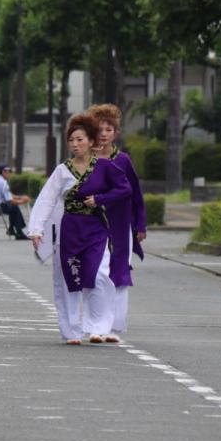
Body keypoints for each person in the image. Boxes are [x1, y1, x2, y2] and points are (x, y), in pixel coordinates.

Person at [27, 113, 132, 345]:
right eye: (71, 140)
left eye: (80, 139)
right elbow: (46, 200)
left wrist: (100, 199)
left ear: (92, 141)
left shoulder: (105, 166)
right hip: (70, 229)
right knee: (69, 279)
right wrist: (36, 229)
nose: (75, 144)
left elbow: (124, 189)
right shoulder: (62, 170)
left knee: (100, 275)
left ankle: (98, 327)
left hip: (96, 228)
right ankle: (72, 331)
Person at [89, 104, 147, 343]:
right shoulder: (85, 159)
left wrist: (140, 224)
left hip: (121, 224)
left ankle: (114, 325)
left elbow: (136, 194)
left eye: (109, 129)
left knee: (119, 271)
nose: (104, 133)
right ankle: (95, 323)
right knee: (95, 273)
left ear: (116, 133)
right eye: (100, 129)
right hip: (92, 224)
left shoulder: (123, 160)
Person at [0, 164, 32, 239]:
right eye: (9, 171)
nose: (10, 173)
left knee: (12, 207)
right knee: (14, 207)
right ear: (3, 172)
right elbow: (10, 200)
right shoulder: (3, 183)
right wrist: (23, 201)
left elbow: (7, 195)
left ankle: (12, 229)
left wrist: (20, 197)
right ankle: (19, 232)